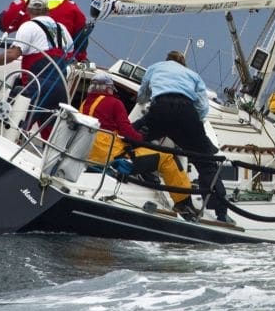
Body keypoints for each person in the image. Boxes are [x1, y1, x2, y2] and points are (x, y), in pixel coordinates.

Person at [79, 73, 196, 219]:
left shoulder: (85, 103)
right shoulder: (115, 103)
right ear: (108, 89)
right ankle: (183, 203)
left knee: (138, 150)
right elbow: (127, 132)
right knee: (167, 156)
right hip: (111, 155)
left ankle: (146, 176)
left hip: (89, 154)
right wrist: (141, 138)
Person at [135, 50, 232, 223]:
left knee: (132, 137)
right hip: (187, 112)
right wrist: (193, 125)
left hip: (161, 109)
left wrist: (148, 104)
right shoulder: (193, 75)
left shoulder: (155, 67)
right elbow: (203, 107)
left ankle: (136, 170)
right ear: (183, 64)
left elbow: (142, 96)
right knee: (206, 162)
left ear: (166, 60)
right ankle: (221, 212)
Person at [0, 0, 73, 137]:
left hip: (38, 86)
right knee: (51, 138)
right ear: (48, 11)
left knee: (13, 130)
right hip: (61, 89)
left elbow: (12, 54)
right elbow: (70, 54)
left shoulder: (28, 26)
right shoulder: (62, 28)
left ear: (28, 11)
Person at [0, 0, 87, 60]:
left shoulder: (22, 4)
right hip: (60, 60)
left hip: (27, 60)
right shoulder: (70, 7)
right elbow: (81, 36)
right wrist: (81, 58)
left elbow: (2, 24)